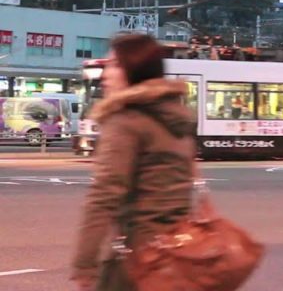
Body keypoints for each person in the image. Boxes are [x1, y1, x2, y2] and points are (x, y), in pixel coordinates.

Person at [71, 33, 196, 290]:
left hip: (137, 258)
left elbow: (104, 195)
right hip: (177, 255)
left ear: (134, 70)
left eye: (115, 65)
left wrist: (84, 262)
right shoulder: (175, 119)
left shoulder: (126, 123)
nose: (106, 74)